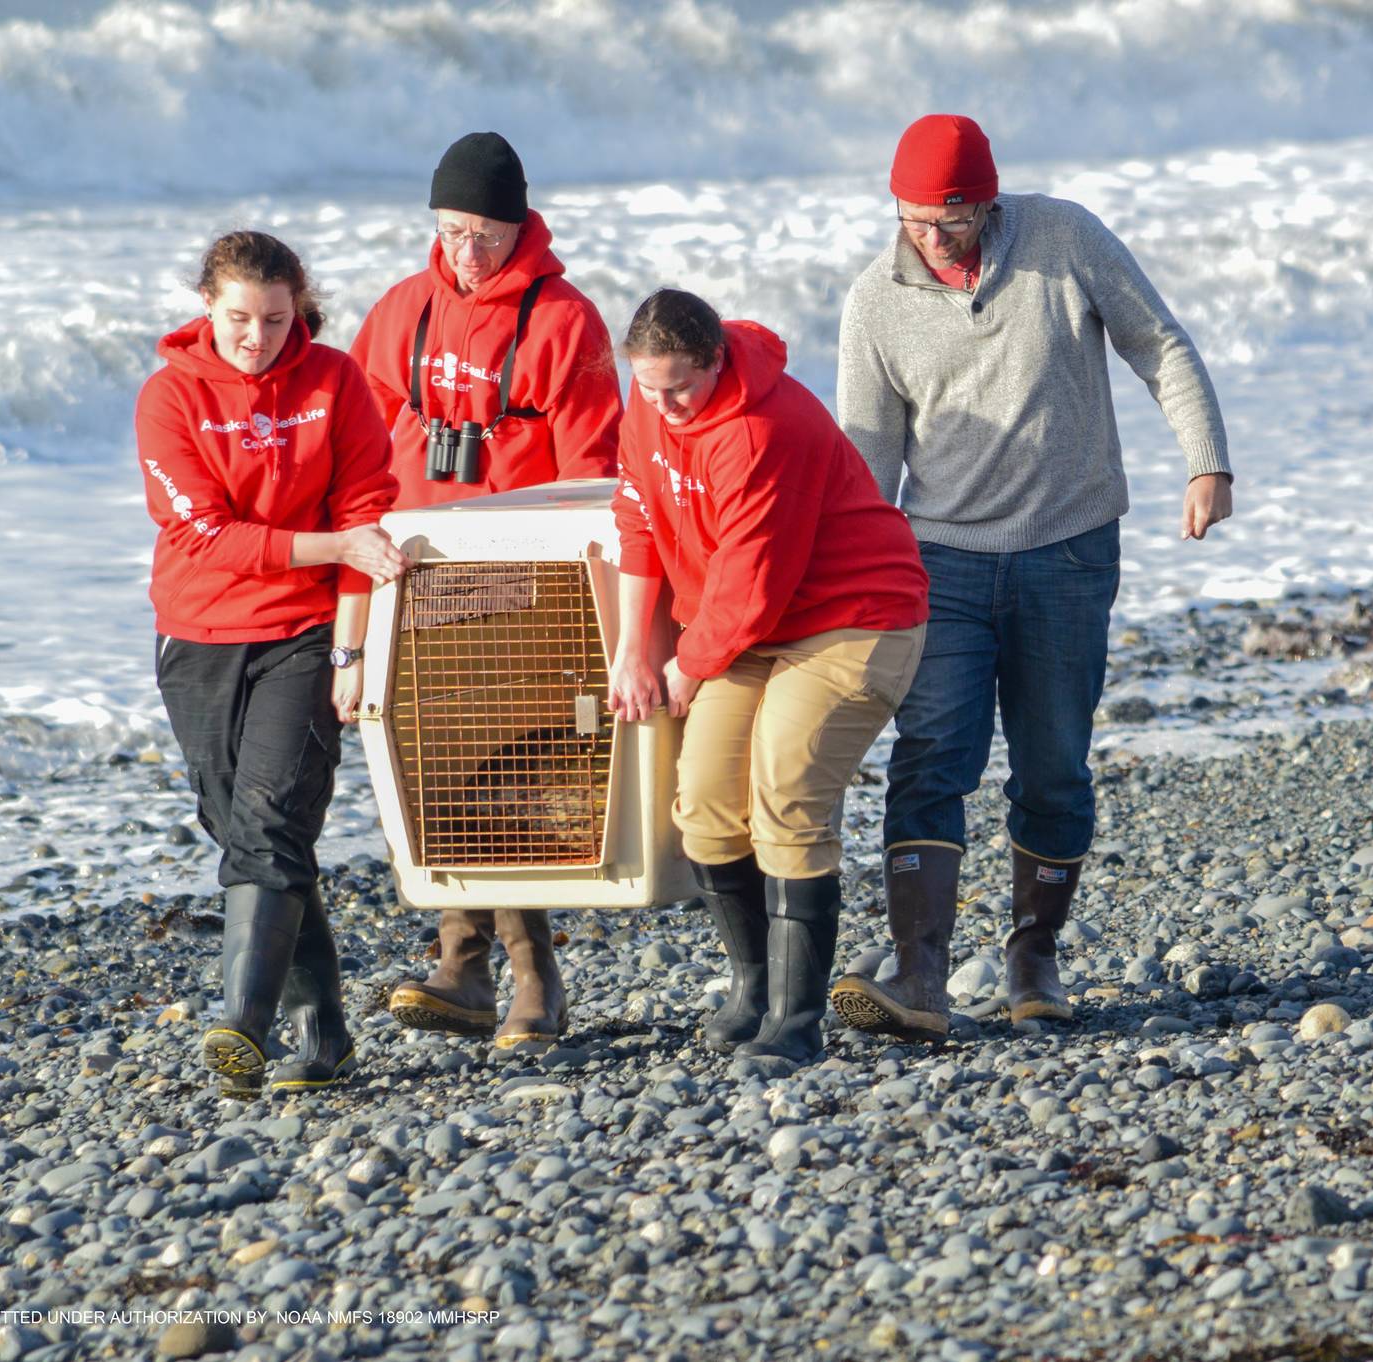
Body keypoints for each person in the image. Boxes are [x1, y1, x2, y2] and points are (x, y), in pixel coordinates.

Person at [829, 114, 1235, 1039]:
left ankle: (1032, 956)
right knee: (933, 755)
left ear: (989, 202)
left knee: (1053, 767)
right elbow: (867, 459)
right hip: (942, 561)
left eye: (955, 219)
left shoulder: (1064, 238)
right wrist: (852, 587)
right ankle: (920, 974)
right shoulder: (873, 304)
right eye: (919, 220)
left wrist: (1206, 459)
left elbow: (1158, 342)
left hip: (1068, 548)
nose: (936, 238)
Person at [607, 289, 929, 1072]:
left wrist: (686, 667)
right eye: (647, 386)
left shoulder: (761, 428)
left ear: (715, 360)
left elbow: (753, 585)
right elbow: (638, 525)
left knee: (785, 788)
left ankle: (796, 1018)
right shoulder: (648, 409)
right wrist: (632, 650)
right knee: (706, 806)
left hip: (855, 615)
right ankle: (752, 988)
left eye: (677, 385)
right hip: (748, 626)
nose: (661, 403)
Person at [349, 131, 623, 1048]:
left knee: (510, 769)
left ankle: (519, 974)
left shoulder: (565, 320)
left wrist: (592, 606)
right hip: (418, 578)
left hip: (525, 583)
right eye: (453, 231)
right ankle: (469, 969)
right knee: (425, 769)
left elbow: (594, 471)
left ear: (522, 227)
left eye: (488, 235)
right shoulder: (399, 311)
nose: (468, 254)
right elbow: (353, 457)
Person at [137, 230, 406, 1097]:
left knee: (271, 823)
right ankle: (322, 1033)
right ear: (207, 308)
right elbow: (201, 532)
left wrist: (353, 650)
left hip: (303, 634)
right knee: (249, 837)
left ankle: (239, 1024)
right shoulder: (168, 397)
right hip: (197, 639)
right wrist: (330, 542)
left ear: (302, 308)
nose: (258, 337)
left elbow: (368, 517)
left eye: (277, 318)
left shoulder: (335, 381)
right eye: (240, 319)